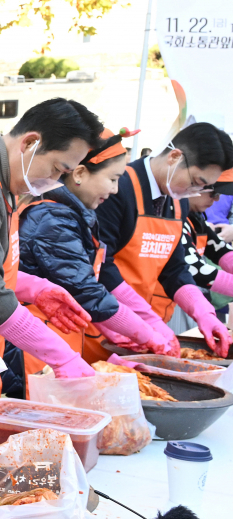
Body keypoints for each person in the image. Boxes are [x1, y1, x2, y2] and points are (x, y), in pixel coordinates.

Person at [0, 99, 101, 441]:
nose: (56, 181)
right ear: (29, 143)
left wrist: (34, 288)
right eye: (57, 168)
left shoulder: (2, 183)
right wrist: (60, 356)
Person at [17, 128, 178, 381]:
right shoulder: (53, 219)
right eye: (113, 179)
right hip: (37, 349)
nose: (115, 190)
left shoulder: (76, 215)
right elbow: (86, 291)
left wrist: (119, 329)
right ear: (80, 173)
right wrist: (147, 334)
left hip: (60, 339)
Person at [96, 122, 233, 357]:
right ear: (175, 157)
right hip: (102, 325)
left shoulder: (177, 198)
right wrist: (147, 319)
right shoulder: (118, 187)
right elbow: (101, 267)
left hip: (144, 335)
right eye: (196, 182)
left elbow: (175, 268)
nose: (194, 191)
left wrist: (203, 312)